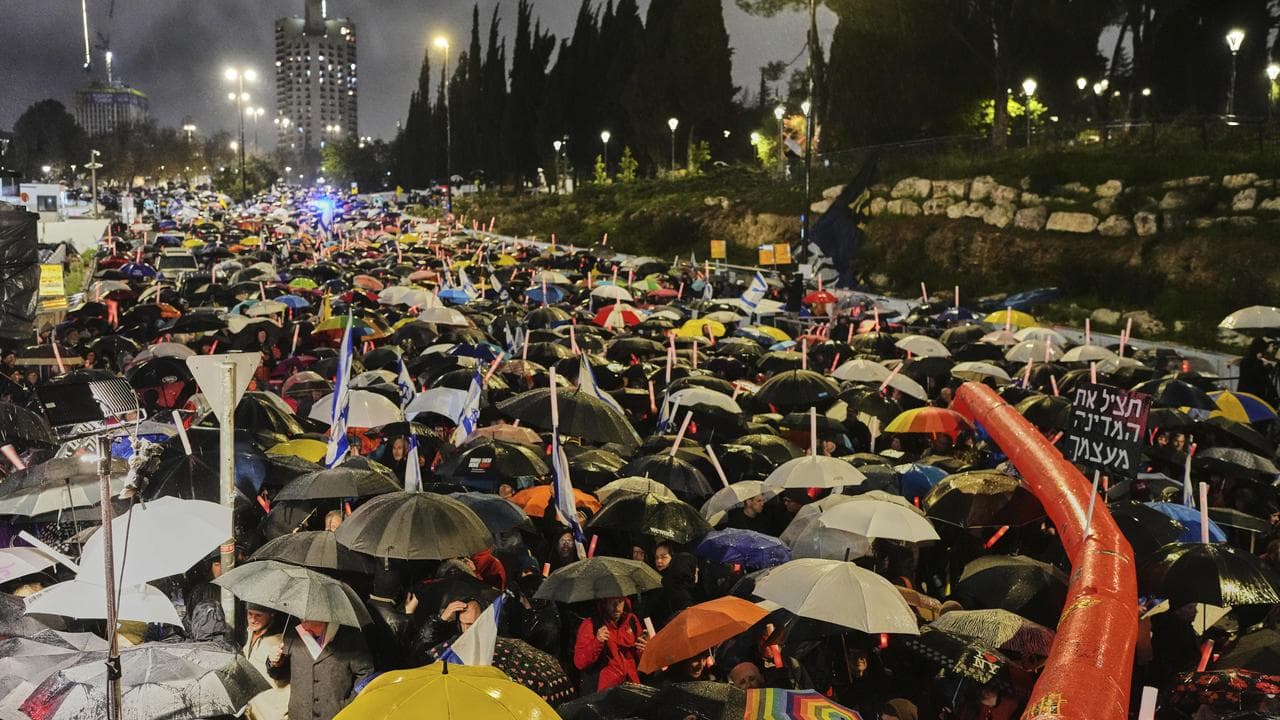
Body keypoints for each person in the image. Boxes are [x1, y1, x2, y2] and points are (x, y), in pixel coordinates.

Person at [266, 618, 375, 720]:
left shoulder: (350, 636)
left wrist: (349, 703)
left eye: (308, 620)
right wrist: (274, 662)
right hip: (298, 715)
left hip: (337, 716)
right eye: (301, 620)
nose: (303, 625)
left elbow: (367, 674)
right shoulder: (293, 632)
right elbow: (280, 675)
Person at [573, 596, 647, 693]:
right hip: (604, 691)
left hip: (632, 686)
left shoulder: (631, 620)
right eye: (612, 601)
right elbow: (580, 662)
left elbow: (642, 661)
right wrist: (597, 641)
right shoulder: (591, 624)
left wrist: (644, 650)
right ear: (604, 602)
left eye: (620, 601)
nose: (616, 607)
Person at [242, 605, 289, 720]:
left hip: (273, 714)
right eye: (250, 614)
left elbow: (281, 672)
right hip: (253, 712)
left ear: (271, 614)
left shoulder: (281, 640)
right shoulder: (250, 632)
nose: (253, 619)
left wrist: (276, 663)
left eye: (258, 615)